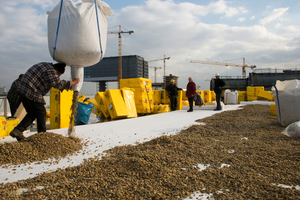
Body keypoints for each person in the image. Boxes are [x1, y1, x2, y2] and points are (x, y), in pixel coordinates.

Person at [9, 62, 80, 141]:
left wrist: (66, 87)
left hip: (22, 90)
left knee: (32, 113)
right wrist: (74, 82)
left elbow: (53, 83)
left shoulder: (45, 65)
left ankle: (18, 130)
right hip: (31, 90)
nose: (58, 76)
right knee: (41, 112)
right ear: (56, 70)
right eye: (58, 75)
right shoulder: (51, 70)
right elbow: (57, 84)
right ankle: (42, 136)